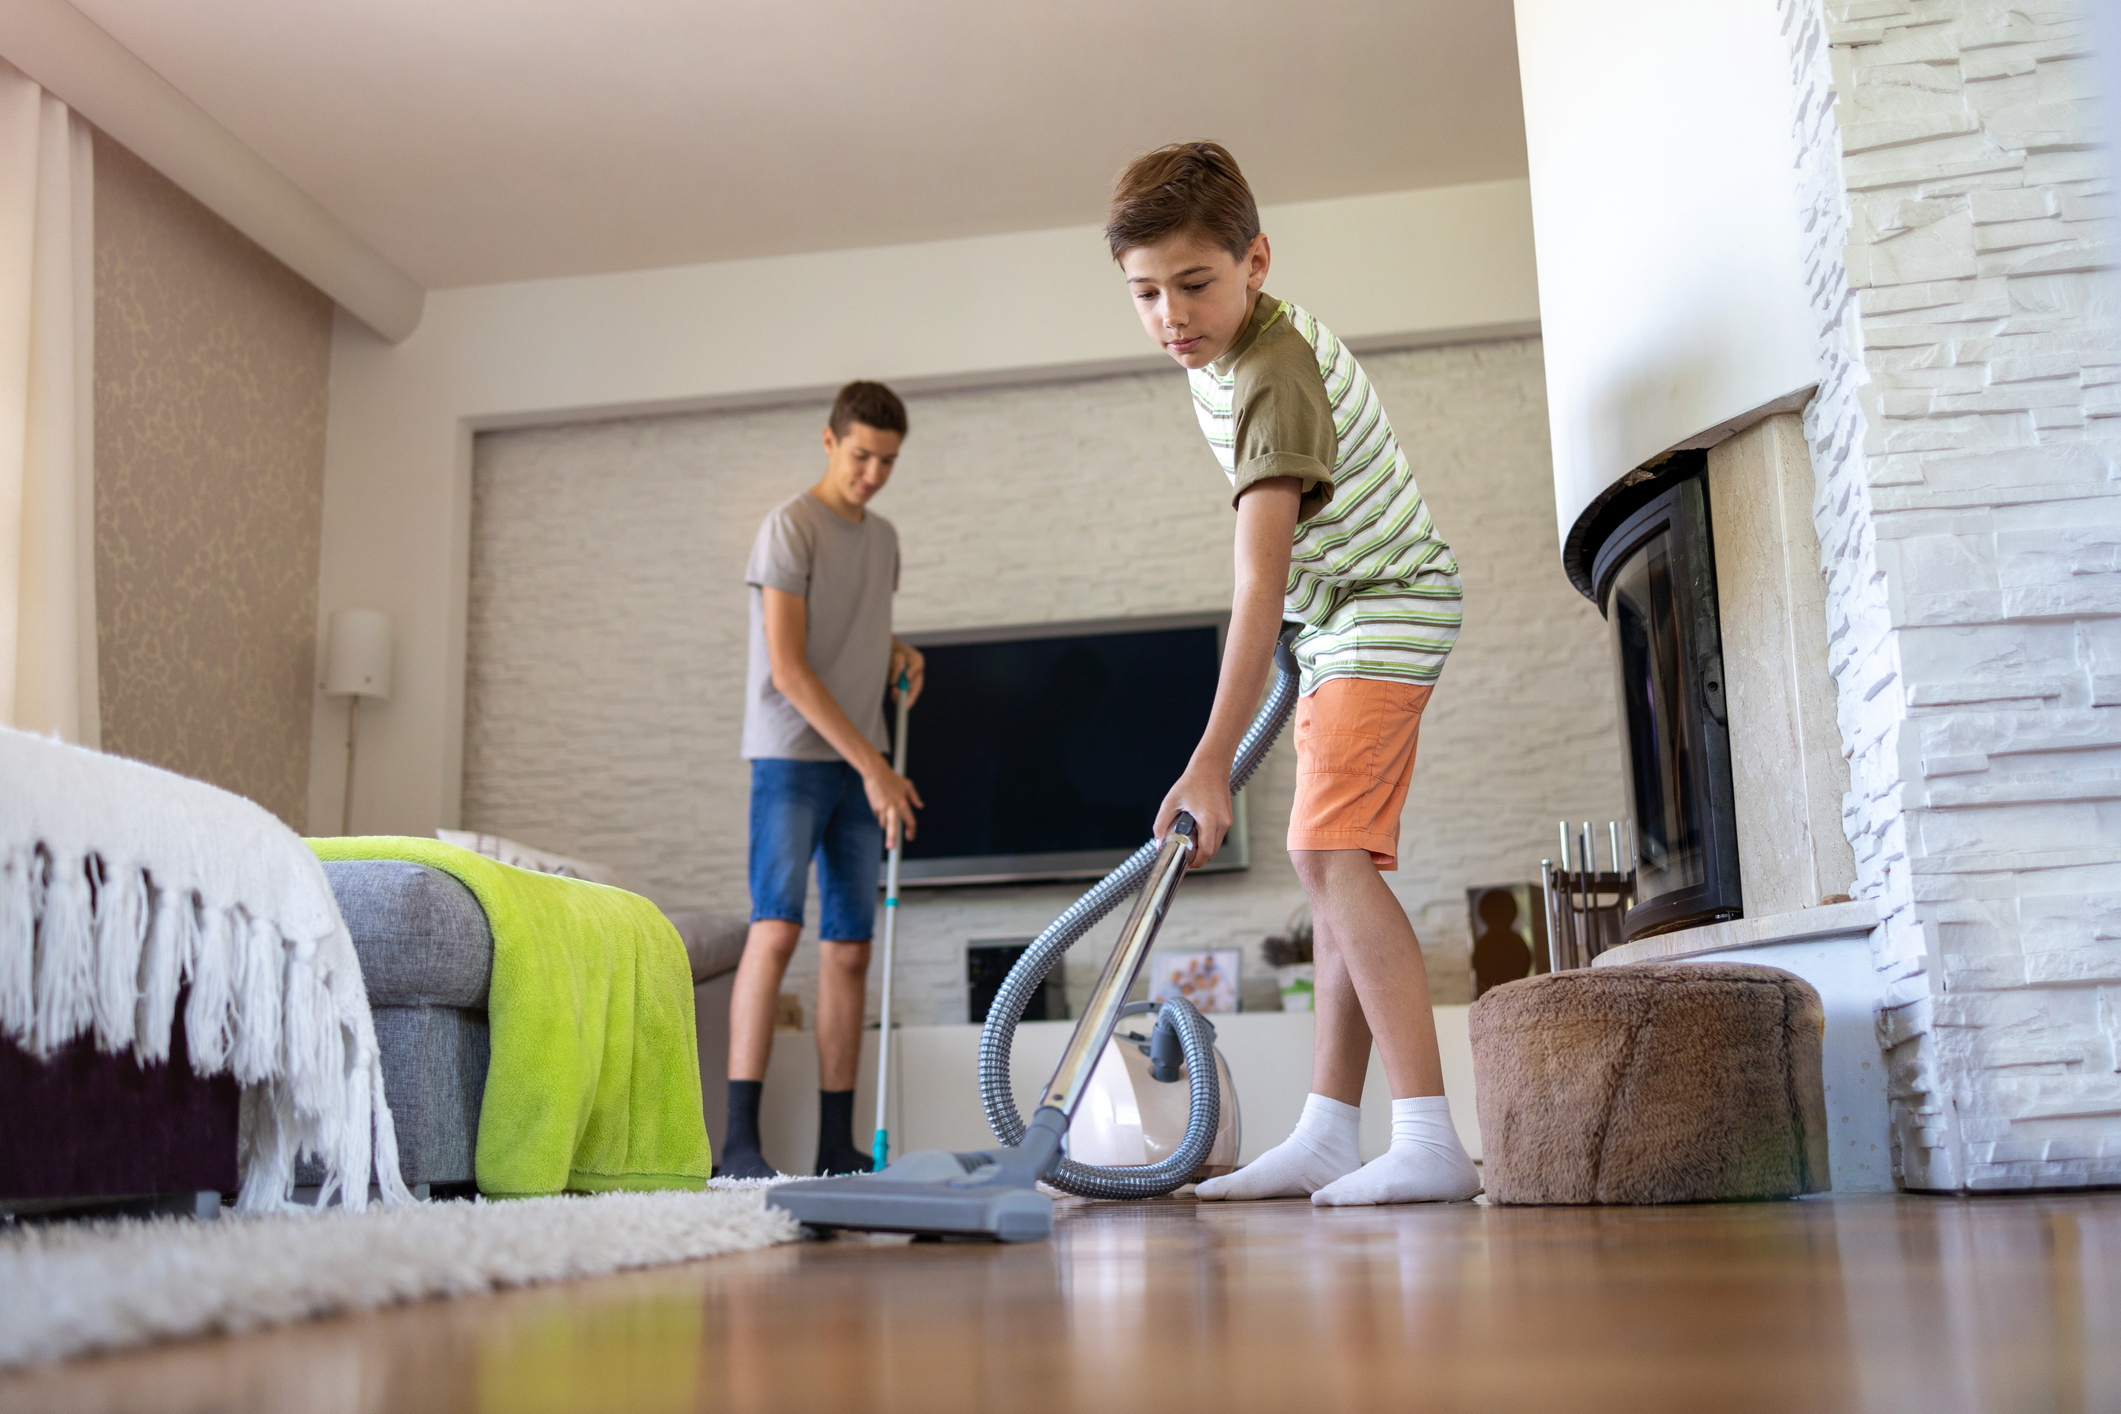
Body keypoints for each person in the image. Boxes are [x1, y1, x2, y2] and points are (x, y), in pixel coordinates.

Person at [1111, 143, 1480, 1205]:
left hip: (1388, 604)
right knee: (1334, 866)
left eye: (1194, 284)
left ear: (1255, 261)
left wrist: (1210, 762)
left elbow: (1256, 589)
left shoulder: (1273, 376)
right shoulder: (1221, 354)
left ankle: (1427, 1138)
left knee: (1325, 853)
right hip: (1340, 619)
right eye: (1145, 293)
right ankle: (1328, 1131)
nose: (1171, 315)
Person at [718, 380, 925, 1180]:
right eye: (862, 455)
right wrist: (875, 767)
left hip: (859, 759)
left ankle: (835, 1148)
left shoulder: (883, 539)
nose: (873, 474)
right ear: (829, 441)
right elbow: (790, 666)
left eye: (888, 462)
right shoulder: (787, 527)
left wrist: (895, 648)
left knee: (848, 952)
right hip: (793, 755)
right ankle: (739, 1143)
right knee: (775, 930)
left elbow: (852, 625)